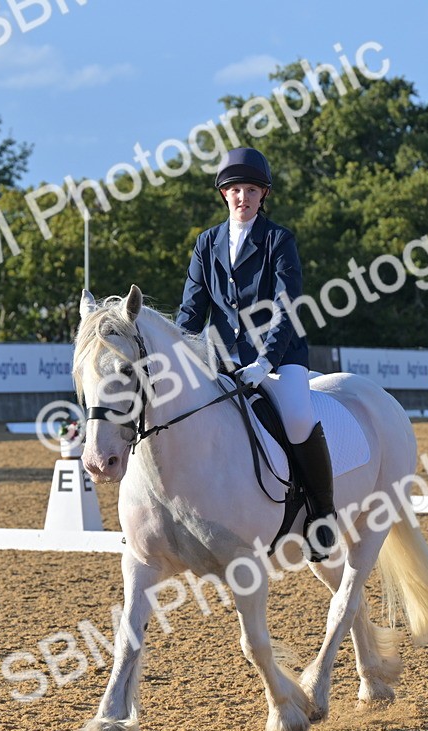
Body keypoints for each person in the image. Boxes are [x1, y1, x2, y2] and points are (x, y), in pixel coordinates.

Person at [176, 147, 336, 561]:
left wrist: (265, 362)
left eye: (250, 189)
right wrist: (175, 357)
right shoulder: (206, 243)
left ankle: (322, 516)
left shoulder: (279, 240)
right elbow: (192, 312)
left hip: (280, 355)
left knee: (298, 418)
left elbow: (287, 305)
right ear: (224, 195)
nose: (242, 197)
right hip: (223, 357)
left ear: (263, 195)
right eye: (234, 190)